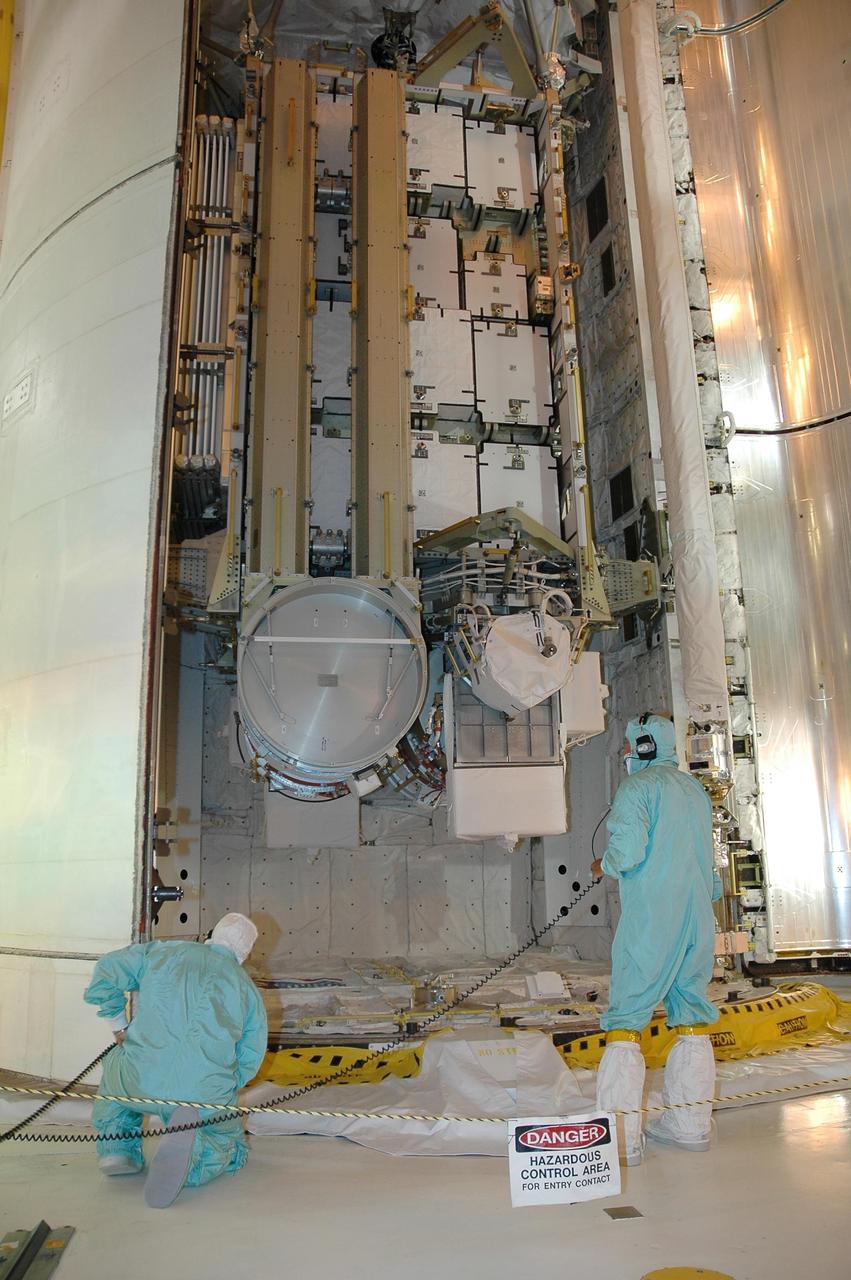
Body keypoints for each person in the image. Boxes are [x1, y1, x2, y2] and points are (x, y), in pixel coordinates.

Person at [590, 714, 720, 1166]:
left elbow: (626, 853)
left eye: (629, 746)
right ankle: (690, 1126)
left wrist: (601, 866)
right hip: (699, 917)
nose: (625, 754)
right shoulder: (694, 790)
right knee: (691, 1016)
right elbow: (711, 865)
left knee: (626, 1019)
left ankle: (622, 1139)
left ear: (641, 747)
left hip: (653, 920)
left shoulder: (637, 789)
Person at [83, 913, 268, 1205]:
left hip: (137, 1079)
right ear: (245, 952)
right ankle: (195, 1161)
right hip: (200, 1096)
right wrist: (224, 1089)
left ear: (212, 934)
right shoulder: (247, 989)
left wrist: (119, 1025)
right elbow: (250, 1057)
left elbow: (108, 968)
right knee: (226, 1137)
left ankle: (116, 1147)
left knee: (115, 1075)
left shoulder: (163, 952)